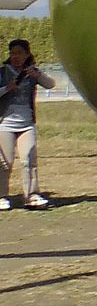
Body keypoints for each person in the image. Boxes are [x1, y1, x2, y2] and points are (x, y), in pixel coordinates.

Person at [0, 38, 52, 210]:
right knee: (5, 162)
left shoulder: (31, 73)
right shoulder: (2, 72)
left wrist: (38, 75)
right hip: (5, 123)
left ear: (27, 55)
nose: (15, 57)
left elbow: (50, 85)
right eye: (12, 53)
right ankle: (2, 196)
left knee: (29, 160)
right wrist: (8, 87)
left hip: (26, 123)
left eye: (19, 53)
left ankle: (31, 195)